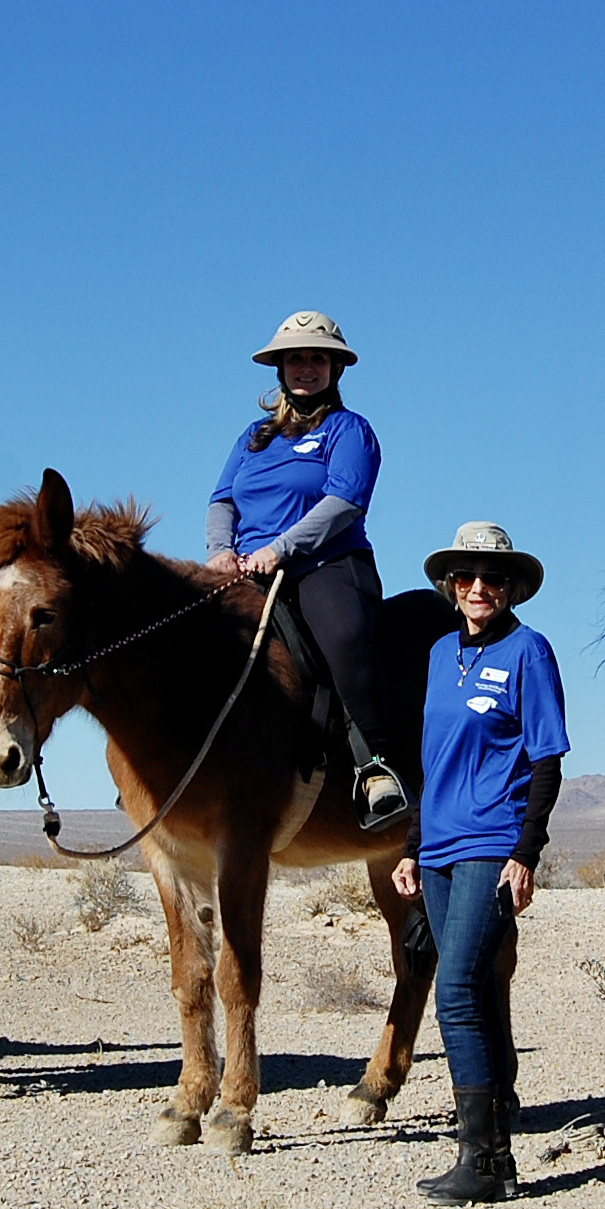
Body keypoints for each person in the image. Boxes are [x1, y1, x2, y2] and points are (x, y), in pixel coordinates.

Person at [393, 522, 566, 1204]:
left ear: (512, 586)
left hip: (492, 843)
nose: (478, 588)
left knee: (458, 988)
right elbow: (431, 763)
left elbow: (547, 760)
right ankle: (497, 1159)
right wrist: (410, 846)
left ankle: (482, 1158)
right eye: (466, 577)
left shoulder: (530, 652)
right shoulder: (439, 655)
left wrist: (527, 854)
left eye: (492, 578)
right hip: (435, 848)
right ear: (450, 586)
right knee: (480, 994)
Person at [207, 312, 409, 829]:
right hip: (245, 568)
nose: (306, 367)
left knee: (342, 636)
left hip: (325, 563)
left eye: (317, 357)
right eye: (295, 357)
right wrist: (218, 550)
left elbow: (344, 501)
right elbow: (222, 498)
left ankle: (376, 766)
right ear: (279, 367)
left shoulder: (349, 430)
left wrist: (281, 548)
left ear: (335, 368)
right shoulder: (253, 437)